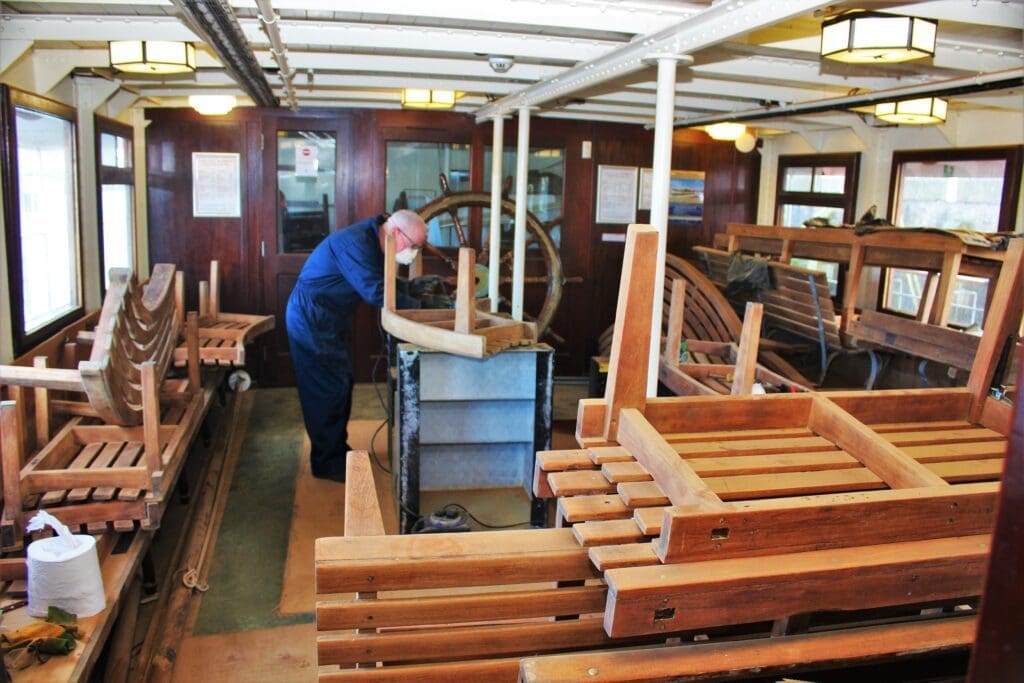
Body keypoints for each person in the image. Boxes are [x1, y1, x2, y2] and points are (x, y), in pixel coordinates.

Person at [286, 210, 428, 483]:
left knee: (338, 383)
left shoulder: (373, 238)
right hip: (312, 317)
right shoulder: (357, 244)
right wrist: (423, 306)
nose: (413, 252)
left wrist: (410, 289)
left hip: (327, 316)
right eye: (413, 246)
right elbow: (375, 290)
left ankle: (334, 450)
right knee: (326, 388)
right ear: (397, 233)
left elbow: (379, 279)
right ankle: (327, 462)